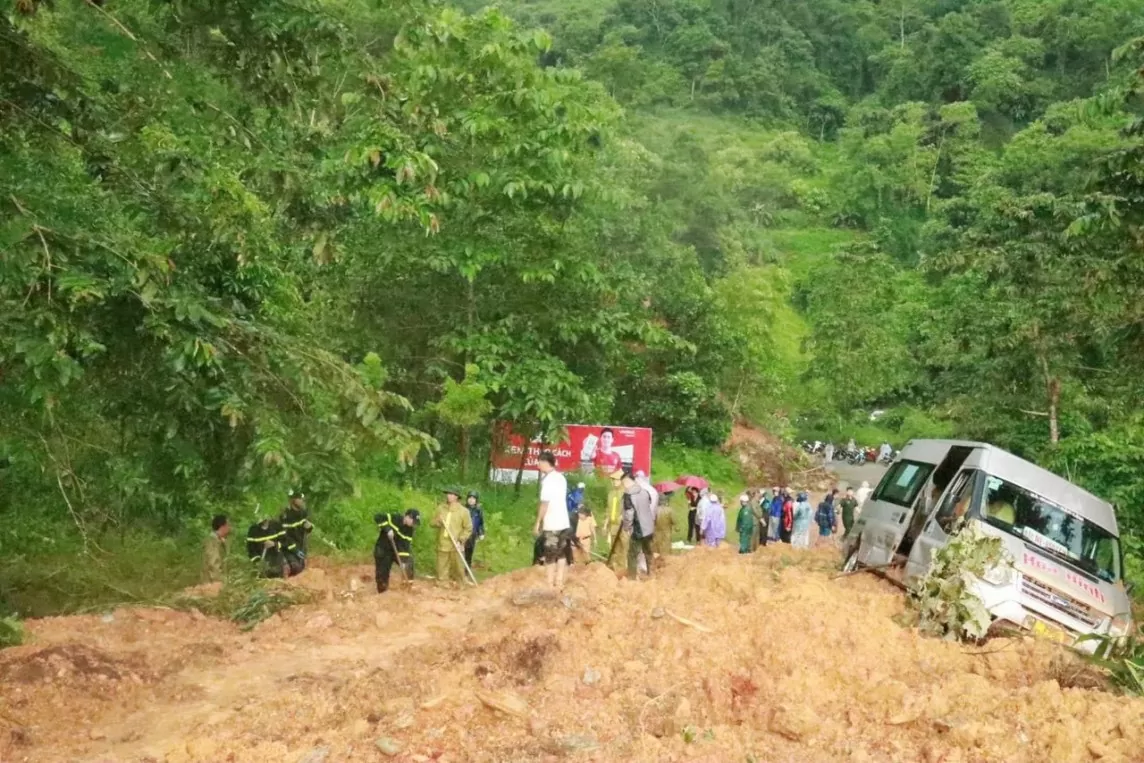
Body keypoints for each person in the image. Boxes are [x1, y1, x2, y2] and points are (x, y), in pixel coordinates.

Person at [534, 451, 571, 591]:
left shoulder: (548, 481)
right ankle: (559, 581)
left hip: (553, 522)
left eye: (539, 462)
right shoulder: (561, 478)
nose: (538, 465)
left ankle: (550, 583)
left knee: (550, 554)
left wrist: (538, 522)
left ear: (544, 462)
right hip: (563, 521)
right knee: (561, 552)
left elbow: (545, 503)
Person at [431, 487, 473, 585]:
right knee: (441, 566)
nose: (448, 496)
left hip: (456, 543)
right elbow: (432, 523)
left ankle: (460, 583)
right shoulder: (441, 508)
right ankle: (442, 583)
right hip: (443, 542)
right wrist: (439, 522)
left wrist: (461, 539)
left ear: (456, 497)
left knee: (458, 566)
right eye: (448, 494)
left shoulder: (464, 511)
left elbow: (468, 528)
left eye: (451, 494)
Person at [373, 509, 420, 592]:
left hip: (396, 551)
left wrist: (403, 562)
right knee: (383, 572)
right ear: (407, 517)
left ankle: (406, 587)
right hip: (383, 549)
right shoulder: (395, 518)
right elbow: (378, 517)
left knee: (409, 562)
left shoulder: (410, 530)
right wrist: (388, 529)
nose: (413, 524)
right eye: (413, 521)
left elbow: (405, 546)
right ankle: (382, 591)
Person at [620, 470, 655, 580]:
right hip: (649, 526)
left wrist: (626, 527)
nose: (623, 486)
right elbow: (648, 504)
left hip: (638, 528)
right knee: (648, 551)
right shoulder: (645, 491)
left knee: (632, 554)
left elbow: (629, 514)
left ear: (627, 481)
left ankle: (631, 577)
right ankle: (651, 573)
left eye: (623, 483)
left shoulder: (628, 494)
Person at [280, 489, 312, 575]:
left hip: (300, 547)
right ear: (293, 500)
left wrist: (309, 527)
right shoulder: (285, 516)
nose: (302, 501)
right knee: (295, 568)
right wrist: (295, 550)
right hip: (289, 549)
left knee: (302, 568)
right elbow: (284, 537)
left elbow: (307, 530)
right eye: (300, 498)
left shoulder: (303, 513)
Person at [203, 514, 230, 583]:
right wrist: (219, 584)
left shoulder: (219, 540)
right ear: (222, 527)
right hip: (212, 585)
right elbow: (214, 564)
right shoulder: (212, 541)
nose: (229, 528)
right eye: (228, 525)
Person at [652, 490, 675, 568]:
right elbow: (674, 521)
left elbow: (652, 521)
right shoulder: (669, 510)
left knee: (656, 548)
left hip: (656, 531)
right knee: (666, 548)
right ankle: (666, 565)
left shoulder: (654, 510)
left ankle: (656, 564)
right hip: (666, 532)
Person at [464, 491, 486, 569]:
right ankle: (458, 570)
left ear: (476, 500)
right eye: (470, 498)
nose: (471, 500)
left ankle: (467, 570)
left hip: (473, 535)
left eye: (473, 498)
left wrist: (481, 533)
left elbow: (481, 523)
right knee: (461, 552)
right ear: (467, 499)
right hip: (462, 534)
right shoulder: (463, 508)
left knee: (469, 553)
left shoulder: (478, 510)